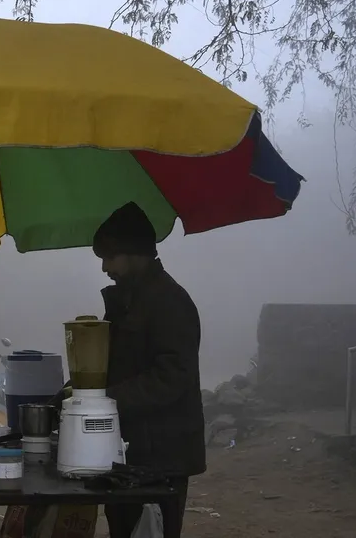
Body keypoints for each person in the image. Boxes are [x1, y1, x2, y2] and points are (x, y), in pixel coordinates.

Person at [93, 202, 206, 538]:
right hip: (130, 450)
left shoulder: (170, 302)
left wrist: (107, 398)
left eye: (110, 257)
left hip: (162, 457)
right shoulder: (127, 302)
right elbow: (116, 364)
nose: (104, 267)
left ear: (135, 253)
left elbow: (171, 376)